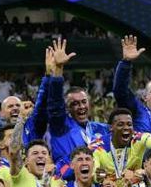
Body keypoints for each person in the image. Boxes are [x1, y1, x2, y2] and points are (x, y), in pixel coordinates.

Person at [45, 39, 110, 175]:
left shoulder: (100, 129)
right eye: (74, 104)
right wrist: (58, 71)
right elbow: (55, 105)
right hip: (68, 182)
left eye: (83, 102)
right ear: (67, 108)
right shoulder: (61, 127)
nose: (81, 106)